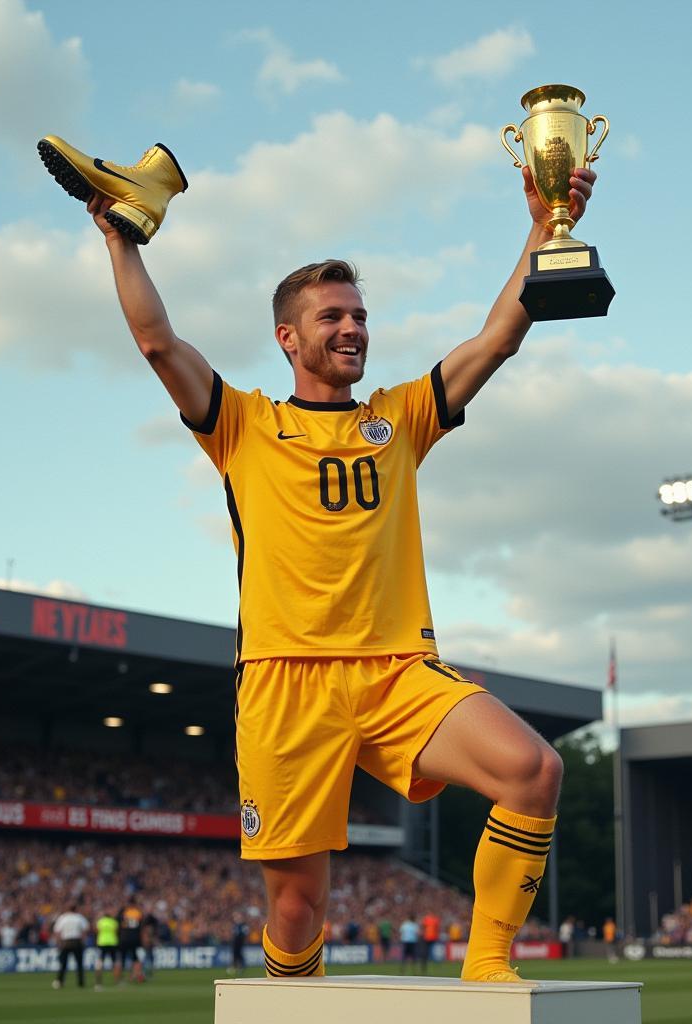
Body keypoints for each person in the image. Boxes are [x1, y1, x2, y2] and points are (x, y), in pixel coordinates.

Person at [80, 136, 596, 983]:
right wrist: (120, 240)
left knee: (533, 770)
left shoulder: (400, 418)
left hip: (398, 671)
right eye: (333, 316)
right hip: (285, 679)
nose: (353, 327)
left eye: (359, 314)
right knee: (295, 908)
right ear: (289, 337)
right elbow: (157, 342)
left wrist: (544, 226)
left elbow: (499, 337)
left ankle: (489, 968)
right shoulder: (242, 425)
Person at [51, 903, 89, 989]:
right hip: (77, 941)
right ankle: (81, 983)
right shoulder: (79, 917)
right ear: (76, 909)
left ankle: (59, 981)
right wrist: (83, 941)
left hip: (66, 942)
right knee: (79, 964)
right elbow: (85, 930)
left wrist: (58, 943)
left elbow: (57, 931)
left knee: (63, 964)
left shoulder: (63, 918)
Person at [93, 908, 120, 991]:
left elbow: (96, 930)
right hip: (112, 943)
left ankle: (98, 982)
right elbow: (116, 931)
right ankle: (117, 981)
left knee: (100, 962)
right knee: (115, 962)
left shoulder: (100, 922)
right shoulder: (114, 922)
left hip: (102, 943)